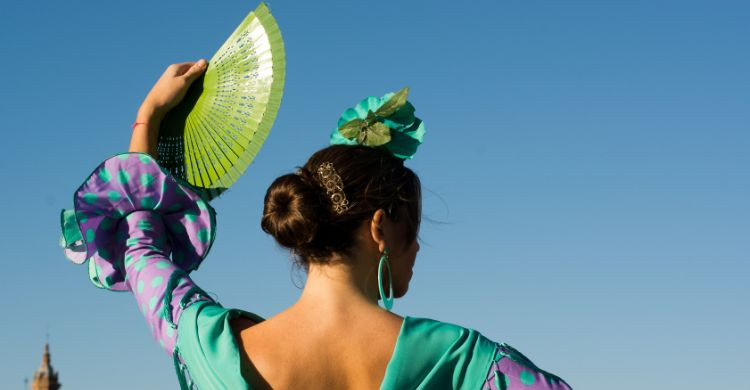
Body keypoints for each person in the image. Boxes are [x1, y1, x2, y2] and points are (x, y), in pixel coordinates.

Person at [60, 60, 573, 389]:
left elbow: (141, 247)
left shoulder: (209, 344)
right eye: (412, 233)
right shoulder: (462, 362)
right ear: (379, 229)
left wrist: (147, 116)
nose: (417, 250)